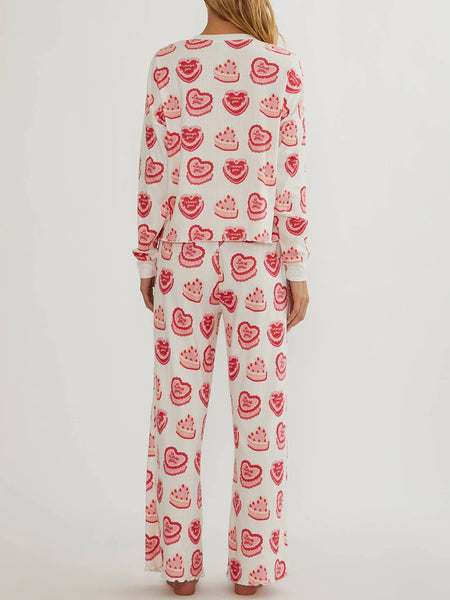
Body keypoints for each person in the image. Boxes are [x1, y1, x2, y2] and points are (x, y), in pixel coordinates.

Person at [131, 0, 310, 595]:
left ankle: (179, 568)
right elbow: (289, 174)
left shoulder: (167, 63)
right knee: (261, 416)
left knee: (176, 415)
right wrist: (296, 266)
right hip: (257, 262)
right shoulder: (281, 66)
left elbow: (154, 169)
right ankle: (253, 569)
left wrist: (146, 257)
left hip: (183, 256)